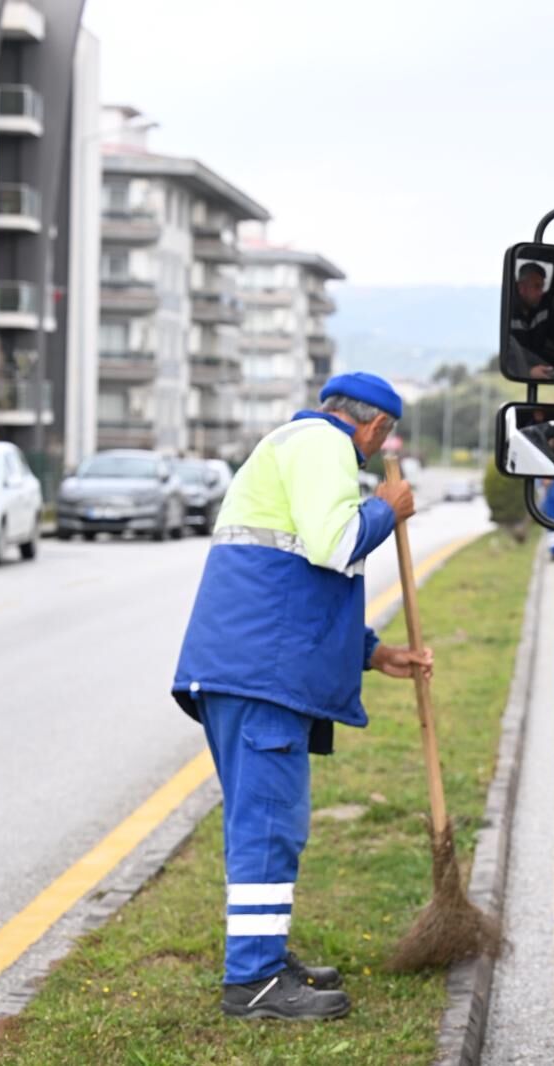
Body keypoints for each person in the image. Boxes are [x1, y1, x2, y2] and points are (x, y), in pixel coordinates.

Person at [171, 372, 434, 1021]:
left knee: (265, 824)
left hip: (251, 669)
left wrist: (373, 652)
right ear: (374, 429)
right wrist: (388, 509)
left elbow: (298, 581)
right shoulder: (323, 446)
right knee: (268, 826)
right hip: (259, 677)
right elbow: (334, 544)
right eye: (382, 441)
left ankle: (262, 953)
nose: (375, 455)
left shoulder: (297, 442)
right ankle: (254, 982)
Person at [507, 261, 554, 380]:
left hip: (543, 365)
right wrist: (528, 373)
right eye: (537, 286)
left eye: (542, 287)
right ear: (521, 288)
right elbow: (506, 356)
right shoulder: (508, 313)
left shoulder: (542, 309)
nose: (541, 292)